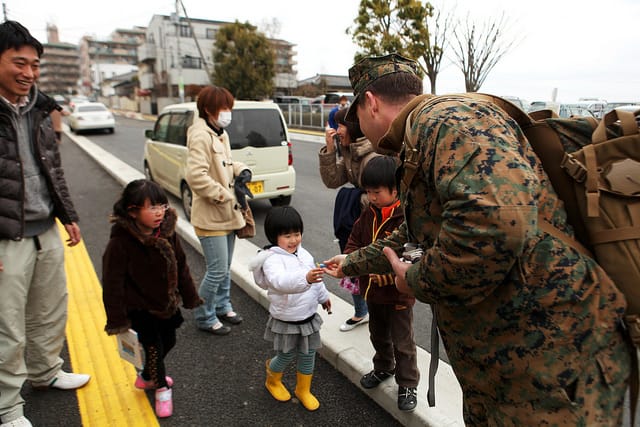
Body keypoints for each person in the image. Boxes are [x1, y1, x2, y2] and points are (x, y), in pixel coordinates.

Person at [323, 53, 631, 425]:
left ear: (369, 102)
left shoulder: (441, 122)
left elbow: (496, 224)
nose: (358, 130)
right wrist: (351, 263)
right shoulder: (430, 132)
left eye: (356, 117)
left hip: (547, 369)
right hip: (514, 366)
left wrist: (417, 280)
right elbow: (416, 231)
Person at [0, 21, 91, 427]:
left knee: (50, 310)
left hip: (44, 228)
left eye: (35, 65)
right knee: (8, 326)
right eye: (19, 63)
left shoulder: (39, 107)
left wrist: (67, 215)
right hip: (6, 236)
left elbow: (53, 168)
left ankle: (45, 372)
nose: (29, 73)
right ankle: (7, 407)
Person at [101, 179, 202, 418]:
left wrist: (190, 296)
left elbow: (181, 265)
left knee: (170, 340)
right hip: (139, 308)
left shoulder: (167, 232)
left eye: (162, 206)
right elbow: (112, 283)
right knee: (154, 348)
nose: (160, 212)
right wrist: (117, 319)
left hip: (166, 304)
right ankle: (161, 388)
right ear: (132, 211)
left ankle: (147, 375)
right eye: (152, 207)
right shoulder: (120, 243)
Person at [344, 155, 419, 412]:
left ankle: (408, 383)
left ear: (395, 190)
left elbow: (411, 258)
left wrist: (387, 277)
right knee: (378, 335)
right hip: (373, 294)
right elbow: (353, 243)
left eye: (377, 192)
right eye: (368, 191)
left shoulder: (406, 220)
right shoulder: (367, 215)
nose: (371, 197)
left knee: (403, 342)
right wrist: (348, 262)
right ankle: (383, 368)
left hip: (398, 296)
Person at [248, 206, 332, 411]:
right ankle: (272, 380)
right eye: (287, 235)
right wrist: (305, 278)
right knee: (286, 354)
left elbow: (316, 279)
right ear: (274, 236)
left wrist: (324, 297)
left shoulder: (304, 254)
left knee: (309, 353)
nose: (294, 239)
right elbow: (280, 282)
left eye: (297, 233)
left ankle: (303, 390)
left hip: (308, 316)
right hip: (287, 318)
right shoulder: (271, 260)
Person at [185, 85, 253, 336]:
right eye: (223, 109)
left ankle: (223, 306)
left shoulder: (219, 133)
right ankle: (204, 315)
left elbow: (227, 163)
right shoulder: (200, 135)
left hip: (227, 215)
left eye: (228, 108)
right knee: (216, 270)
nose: (227, 113)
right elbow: (196, 176)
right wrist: (227, 195)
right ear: (208, 110)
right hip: (210, 217)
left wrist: (242, 170)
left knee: (224, 268)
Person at [319, 107, 379, 332]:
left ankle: (377, 316)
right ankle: (361, 312)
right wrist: (330, 149)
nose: (335, 130)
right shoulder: (348, 150)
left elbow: (381, 197)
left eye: (339, 125)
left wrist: (355, 198)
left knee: (369, 267)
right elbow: (332, 180)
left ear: (353, 126)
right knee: (351, 262)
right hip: (356, 219)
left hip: (372, 220)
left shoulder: (372, 154)